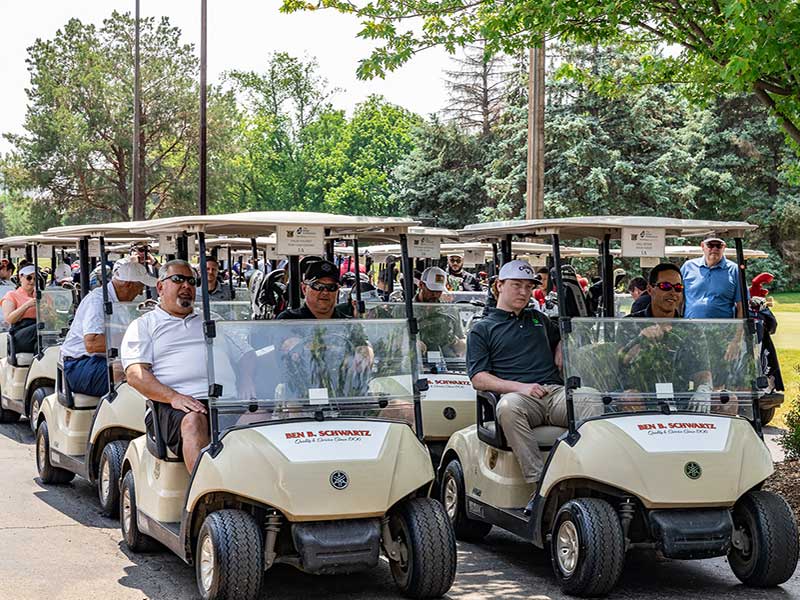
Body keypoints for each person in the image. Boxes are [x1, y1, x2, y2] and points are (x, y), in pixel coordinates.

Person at [467, 260, 591, 487]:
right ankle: (540, 484)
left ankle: (585, 476)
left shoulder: (538, 319)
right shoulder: (482, 328)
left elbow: (563, 336)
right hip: (521, 398)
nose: (524, 292)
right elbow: (478, 378)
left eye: (528, 286)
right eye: (516, 285)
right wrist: (520, 387)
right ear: (499, 286)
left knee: (591, 400)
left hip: (554, 394)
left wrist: (562, 344)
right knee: (507, 408)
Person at [122, 260, 254, 472]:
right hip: (174, 406)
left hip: (226, 401)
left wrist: (247, 380)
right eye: (178, 279)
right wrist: (173, 397)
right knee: (194, 421)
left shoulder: (212, 320)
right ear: (160, 286)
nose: (186, 286)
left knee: (269, 418)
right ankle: (205, 492)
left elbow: (246, 353)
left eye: (191, 281)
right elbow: (136, 374)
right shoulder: (144, 325)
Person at [60, 260, 157, 397]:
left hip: (101, 361)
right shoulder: (97, 300)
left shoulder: (120, 302)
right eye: (140, 286)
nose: (141, 291)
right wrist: (136, 342)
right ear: (128, 285)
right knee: (138, 375)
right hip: (80, 366)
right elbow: (92, 343)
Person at [681, 235, 744, 319]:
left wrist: (740, 328)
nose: (714, 249)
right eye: (710, 245)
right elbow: (677, 298)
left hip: (723, 329)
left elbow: (741, 304)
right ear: (703, 246)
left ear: (724, 247)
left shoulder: (734, 270)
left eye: (718, 246)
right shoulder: (688, 267)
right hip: (691, 327)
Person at [276, 260, 353, 320]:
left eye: (331, 287)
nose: (325, 292)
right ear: (304, 289)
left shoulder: (347, 324)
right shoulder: (288, 321)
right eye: (318, 286)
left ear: (338, 291)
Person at [2, 265, 38, 353]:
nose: (32, 281)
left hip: (38, 333)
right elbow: (10, 319)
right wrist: (26, 305)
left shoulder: (40, 295)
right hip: (20, 332)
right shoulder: (11, 295)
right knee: (40, 327)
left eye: (35, 278)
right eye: (29, 278)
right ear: (21, 277)